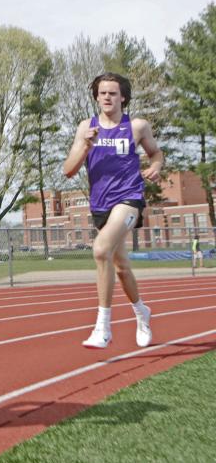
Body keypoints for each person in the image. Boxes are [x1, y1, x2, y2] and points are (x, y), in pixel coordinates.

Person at [63, 72, 164, 349]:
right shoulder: (86, 127)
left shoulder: (137, 126)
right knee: (121, 267)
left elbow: (156, 153)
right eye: (103, 93)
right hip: (101, 206)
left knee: (99, 249)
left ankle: (102, 328)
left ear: (123, 97)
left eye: (113, 93)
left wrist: (155, 167)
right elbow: (68, 170)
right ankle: (142, 312)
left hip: (129, 199)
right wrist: (85, 144)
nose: (107, 97)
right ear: (96, 96)